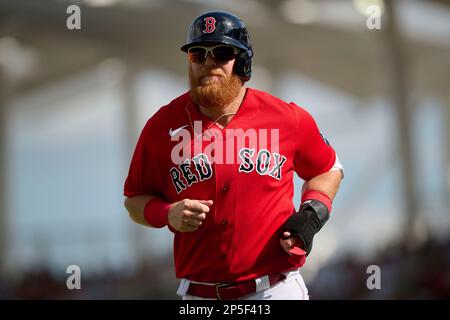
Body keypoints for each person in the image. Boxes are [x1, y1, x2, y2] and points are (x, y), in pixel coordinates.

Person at [124, 11, 343, 300]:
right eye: (197, 55)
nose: (208, 63)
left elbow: (328, 167)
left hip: (274, 289)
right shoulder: (161, 127)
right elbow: (134, 201)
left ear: (242, 62)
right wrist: (168, 213)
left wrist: (311, 215)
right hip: (200, 295)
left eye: (222, 53)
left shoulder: (286, 118)